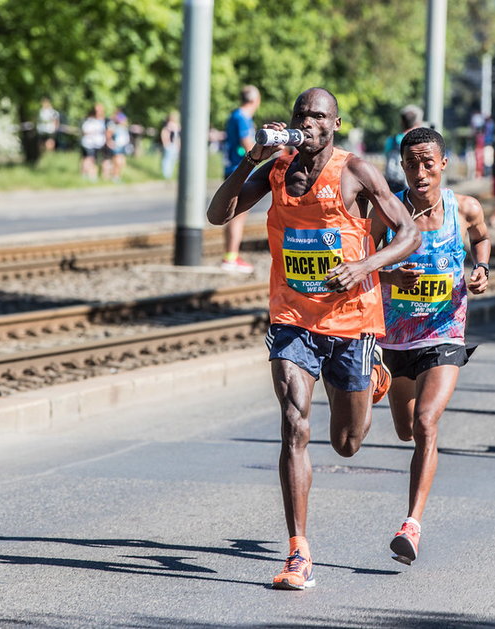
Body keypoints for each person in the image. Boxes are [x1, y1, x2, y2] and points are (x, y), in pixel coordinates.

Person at [206, 87, 421, 589]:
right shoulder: (278, 168)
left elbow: (408, 233)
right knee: (292, 423)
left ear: (335, 123)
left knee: (347, 443)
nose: (309, 122)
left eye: (319, 116)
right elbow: (219, 214)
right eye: (302, 114)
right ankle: (298, 551)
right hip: (292, 317)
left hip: (352, 320)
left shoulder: (355, 172)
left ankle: (372, 375)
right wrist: (249, 159)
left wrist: (365, 266)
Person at [371, 127, 491, 564]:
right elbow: (361, 264)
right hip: (396, 339)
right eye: (412, 164)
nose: (420, 172)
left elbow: (481, 238)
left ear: (443, 164)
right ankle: (389, 388)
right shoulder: (388, 213)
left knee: (425, 423)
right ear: (401, 167)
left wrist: (482, 269)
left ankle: (411, 525)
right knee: (404, 429)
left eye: (428, 163)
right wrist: (389, 276)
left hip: (444, 332)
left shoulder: (465, 208)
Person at [221, 85, 262, 273]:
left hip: (232, 169)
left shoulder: (234, 116)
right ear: (255, 100)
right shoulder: (242, 118)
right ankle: (231, 257)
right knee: (237, 216)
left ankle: (231, 256)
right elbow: (249, 146)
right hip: (240, 170)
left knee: (234, 214)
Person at [383, 104, 423, 193]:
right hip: (411, 186)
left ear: (401, 122)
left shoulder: (391, 140)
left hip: (391, 184)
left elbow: (386, 157)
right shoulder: (420, 142)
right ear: (418, 123)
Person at [80, 103, 107, 181]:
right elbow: (85, 131)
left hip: (97, 144)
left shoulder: (103, 120)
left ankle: (90, 175)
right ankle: (87, 175)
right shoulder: (89, 121)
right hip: (89, 144)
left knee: (93, 160)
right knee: (89, 159)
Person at [106, 109, 132, 183]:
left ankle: (117, 176)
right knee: (117, 162)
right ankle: (114, 177)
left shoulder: (123, 126)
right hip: (117, 146)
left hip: (123, 146)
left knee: (122, 163)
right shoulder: (113, 125)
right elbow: (108, 134)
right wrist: (109, 142)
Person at [160, 111, 180, 179]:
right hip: (169, 145)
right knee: (167, 160)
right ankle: (166, 175)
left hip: (174, 145)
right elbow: (164, 133)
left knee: (172, 160)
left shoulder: (176, 125)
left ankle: (169, 174)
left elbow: (177, 137)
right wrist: (165, 143)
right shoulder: (169, 125)